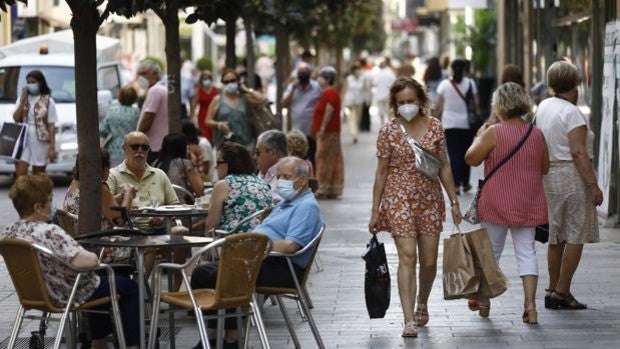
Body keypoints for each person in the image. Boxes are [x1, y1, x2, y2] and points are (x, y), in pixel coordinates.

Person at [190, 156, 323, 348]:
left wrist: (257, 244)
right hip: (259, 260)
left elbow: (290, 246)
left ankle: (230, 339)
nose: (280, 182)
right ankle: (214, 337)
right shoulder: (287, 203)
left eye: (286, 176)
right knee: (204, 274)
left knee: (219, 275)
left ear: (302, 180)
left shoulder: (306, 206)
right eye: (279, 177)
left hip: (283, 267)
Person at [369, 77, 462, 338]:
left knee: (430, 262)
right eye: (401, 102)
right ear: (394, 104)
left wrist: (454, 201)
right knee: (407, 256)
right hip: (398, 198)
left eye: (410, 101)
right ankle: (408, 319)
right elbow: (380, 173)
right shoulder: (388, 131)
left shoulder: (435, 127)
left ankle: (423, 301)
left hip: (429, 199)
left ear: (420, 101)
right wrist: (375, 209)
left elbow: (444, 165)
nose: (406, 106)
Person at [2, 174, 140, 349]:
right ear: (38, 207)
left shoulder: (10, 232)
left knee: (99, 281)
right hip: (66, 293)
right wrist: (93, 258)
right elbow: (87, 262)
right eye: (49, 201)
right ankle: (131, 346)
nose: (52, 206)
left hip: (35, 294)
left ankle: (98, 343)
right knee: (126, 286)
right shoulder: (48, 231)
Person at [464, 82, 549, 323]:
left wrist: (479, 136)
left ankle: (483, 302)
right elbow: (545, 167)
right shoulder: (536, 133)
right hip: (527, 201)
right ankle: (530, 307)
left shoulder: (493, 132)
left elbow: (470, 159)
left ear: (498, 105)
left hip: (496, 202)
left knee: (490, 253)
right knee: (526, 252)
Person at [535, 61, 603, 310]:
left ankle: (552, 288)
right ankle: (562, 292)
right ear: (575, 84)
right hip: (572, 176)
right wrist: (593, 185)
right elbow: (578, 152)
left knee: (556, 235)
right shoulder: (572, 112)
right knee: (576, 234)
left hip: (550, 175)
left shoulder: (543, 106)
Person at [106, 131, 179, 233]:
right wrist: (124, 196)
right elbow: (106, 204)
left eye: (144, 147)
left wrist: (163, 217)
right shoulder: (113, 175)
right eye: (135, 147)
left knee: (181, 231)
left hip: (160, 230)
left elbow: (175, 205)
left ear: (148, 150)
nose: (140, 151)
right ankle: (152, 248)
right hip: (127, 230)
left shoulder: (159, 174)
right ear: (124, 149)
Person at [203, 141, 273, 234]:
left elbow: (211, 226)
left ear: (229, 163)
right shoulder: (260, 181)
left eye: (218, 162)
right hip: (265, 241)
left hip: (234, 243)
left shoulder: (223, 185)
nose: (216, 167)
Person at [434, 58, 480, 194]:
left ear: (452, 69)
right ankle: (466, 183)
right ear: (465, 69)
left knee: (454, 155)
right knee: (466, 154)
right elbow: (476, 104)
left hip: (450, 125)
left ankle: (456, 185)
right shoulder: (470, 83)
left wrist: (434, 120)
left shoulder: (444, 84)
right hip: (467, 125)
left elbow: (438, 106)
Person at [12, 70, 58, 177]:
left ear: (40, 83)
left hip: (41, 140)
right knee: (21, 174)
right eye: (28, 82)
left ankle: (36, 194)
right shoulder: (22, 99)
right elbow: (15, 118)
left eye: (33, 82)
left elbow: (51, 126)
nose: (30, 84)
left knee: (38, 175)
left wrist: (52, 147)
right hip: (23, 139)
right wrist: (23, 100)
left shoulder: (48, 101)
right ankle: (22, 193)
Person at [205, 68, 263, 150]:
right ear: (223, 83)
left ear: (238, 81)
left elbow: (262, 99)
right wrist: (219, 125)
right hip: (224, 146)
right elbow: (207, 121)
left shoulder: (244, 98)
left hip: (245, 145)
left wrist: (246, 89)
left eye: (232, 80)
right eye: (226, 82)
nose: (230, 83)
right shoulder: (217, 100)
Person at [312, 66, 344, 199]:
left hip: (328, 132)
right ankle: (329, 187)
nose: (319, 80)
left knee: (323, 158)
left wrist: (323, 128)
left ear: (327, 79)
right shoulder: (330, 92)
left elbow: (329, 110)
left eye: (322, 77)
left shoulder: (329, 93)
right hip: (330, 132)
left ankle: (324, 187)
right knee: (329, 158)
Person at [282, 62, 322, 166]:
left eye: (305, 73)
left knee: (312, 159)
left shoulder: (316, 87)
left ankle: (311, 179)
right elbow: (284, 104)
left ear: (310, 74)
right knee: (297, 160)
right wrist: (293, 89)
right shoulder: (292, 87)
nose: (303, 75)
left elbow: (322, 104)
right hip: (297, 131)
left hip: (312, 131)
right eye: (301, 73)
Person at [153, 133, 204, 202]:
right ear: (183, 147)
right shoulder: (184, 163)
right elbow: (200, 191)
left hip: (158, 205)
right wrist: (192, 162)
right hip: (179, 207)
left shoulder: (156, 163)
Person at [136, 60, 168, 163]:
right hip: (160, 146)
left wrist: (135, 139)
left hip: (153, 148)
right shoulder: (162, 89)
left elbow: (146, 121)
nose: (141, 77)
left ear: (155, 74)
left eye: (144, 73)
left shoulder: (155, 91)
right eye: (139, 74)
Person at [100, 85, 140, 166]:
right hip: (133, 149)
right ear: (134, 97)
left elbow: (102, 130)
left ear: (120, 97)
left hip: (114, 150)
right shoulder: (137, 112)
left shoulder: (112, 111)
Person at [255, 129, 288, 201]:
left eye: (258, 152)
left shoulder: (289, 175)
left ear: (273, 153)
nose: (254, 157)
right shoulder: (263, 171)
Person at [192, 70, 219, 142]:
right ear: (201, 79)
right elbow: (194, 104)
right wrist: (192, 116)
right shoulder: (198, 90)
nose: (206, 80)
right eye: (204, 78)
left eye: (208, 78)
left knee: (214, 133)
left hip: (214, 115)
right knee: (205, 135)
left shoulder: (216, 89)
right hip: (203, 115)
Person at [342, 64, 365, 144]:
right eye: (357, 70)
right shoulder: (348, 79)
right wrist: (342, 102)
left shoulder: (361, 79)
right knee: (352, 118)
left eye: (359, 70)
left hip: (359, 102)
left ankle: (355, 133)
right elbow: (344, 90)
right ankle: (354, 135)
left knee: (357, 120)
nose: (358, 71)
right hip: (350, 102)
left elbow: (363, 90)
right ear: (353, 71)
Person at [373, 57, 397, 125]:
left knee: (381, 112)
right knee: (389, 111)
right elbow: (394, 82)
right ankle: (390, 124)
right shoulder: (390, 73)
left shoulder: (377, 74)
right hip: (388, 95)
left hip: (379, 95)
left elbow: (374, 83)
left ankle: (382, 124)